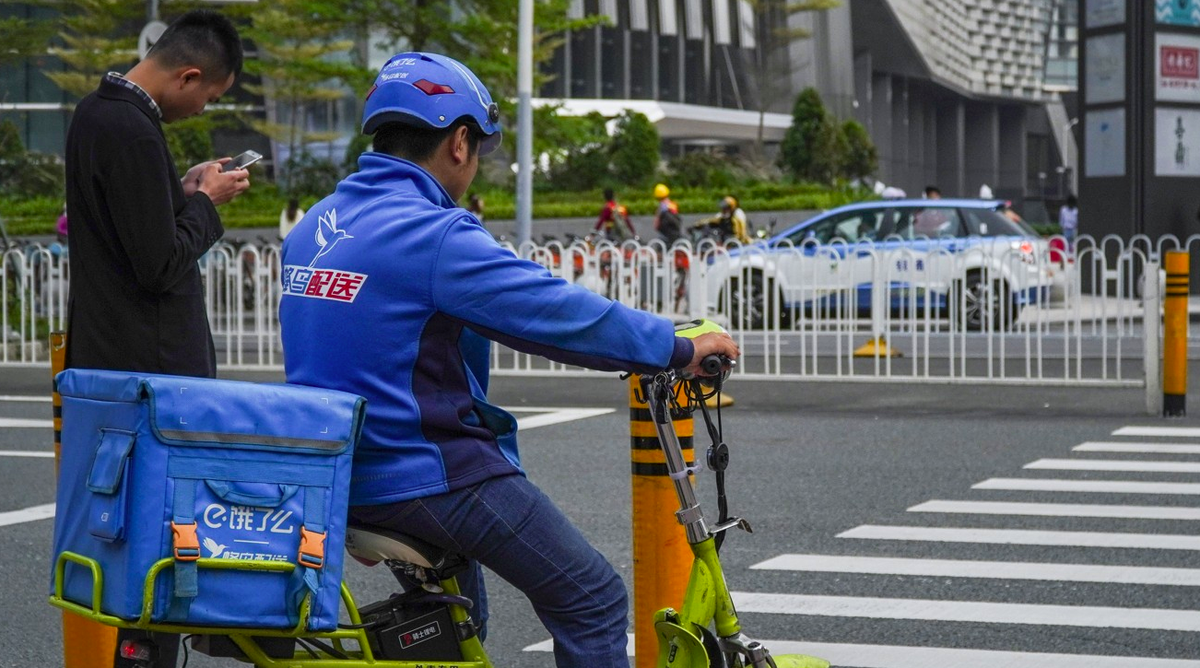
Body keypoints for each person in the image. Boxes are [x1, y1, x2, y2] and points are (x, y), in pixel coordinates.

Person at [278, 51, 739, 668]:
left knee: (459, 624)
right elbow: (555, 314)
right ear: (460, 142)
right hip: (428, 471)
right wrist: (676, 348)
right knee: (593, 599)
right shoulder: (432, 232)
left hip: (342, 474)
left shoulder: (313, 228)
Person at [61, 10, 247, 667]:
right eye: (210, 96)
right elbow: (160, 263)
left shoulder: (95, 112)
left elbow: (127, 235)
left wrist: (184, 189)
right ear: (188, 74)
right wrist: (206, 203)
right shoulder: (134, 130)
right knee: (159, 545)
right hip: (153, 375)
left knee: (120, 540)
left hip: (111, 358)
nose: (203, 108)